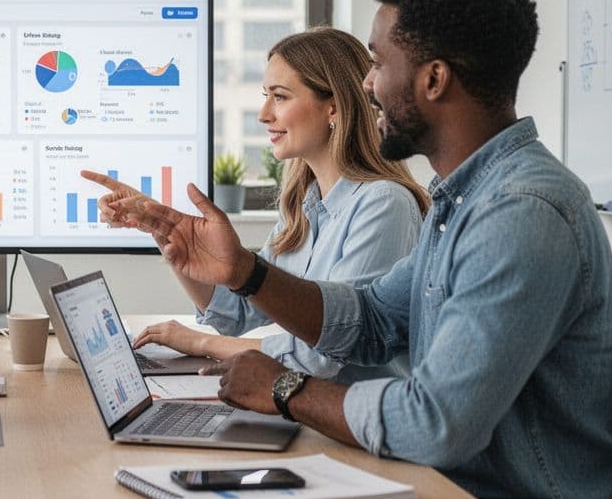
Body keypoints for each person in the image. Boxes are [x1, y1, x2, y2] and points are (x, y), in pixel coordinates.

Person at [102, 0, 612, 499]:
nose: (368, 84)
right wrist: (245, 272)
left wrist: (284, 389)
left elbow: (435, 424)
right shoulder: (465, 200)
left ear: (433, 80)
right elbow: (372, 318)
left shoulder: (521, 213)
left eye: (378, 63)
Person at [89, 27, 428, 383]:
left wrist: (201, 342)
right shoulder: (304, 208)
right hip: (301, 402)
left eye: (280, 97)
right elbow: (237, 312)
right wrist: (164, 233)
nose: (263, 114)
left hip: (352, 413)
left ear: (334, 107)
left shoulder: (384, 205)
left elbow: (326, 353)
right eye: (266, 96)